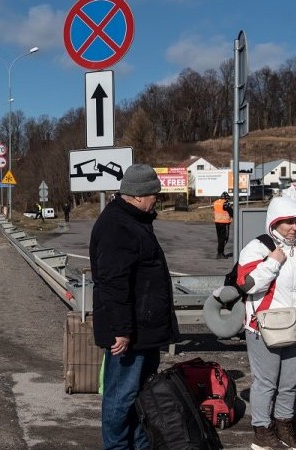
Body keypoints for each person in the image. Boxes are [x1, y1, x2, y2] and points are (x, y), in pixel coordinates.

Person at [89, 164, 179, 450]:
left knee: (141, 396)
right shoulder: (118, 226)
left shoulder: (135, 220)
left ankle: (141, 446)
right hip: (129, 334)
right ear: (138, 195)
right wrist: (122, 330)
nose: (157, 199)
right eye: (154, 194)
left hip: (144, 330)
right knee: (121, 398)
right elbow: (112, 284)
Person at [237, 196, 296, 450]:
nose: (294, 227)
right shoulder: (257, 247)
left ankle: (284, 426)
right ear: (274, 222)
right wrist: (274, 261)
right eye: (288, 221)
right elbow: (248, 284)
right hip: (264, 327)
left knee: (289, 383)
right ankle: (262, 431)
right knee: (266, 383)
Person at [213, 191, 234, 259]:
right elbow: (231, 212)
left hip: (217, 222)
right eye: (227, 199)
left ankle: (220, 252)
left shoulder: (216, 202)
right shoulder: (225, 204)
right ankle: (220, 253)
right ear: (226, 198)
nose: (228, 200)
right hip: (224, 223)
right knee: (224, 239)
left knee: (220, 238)